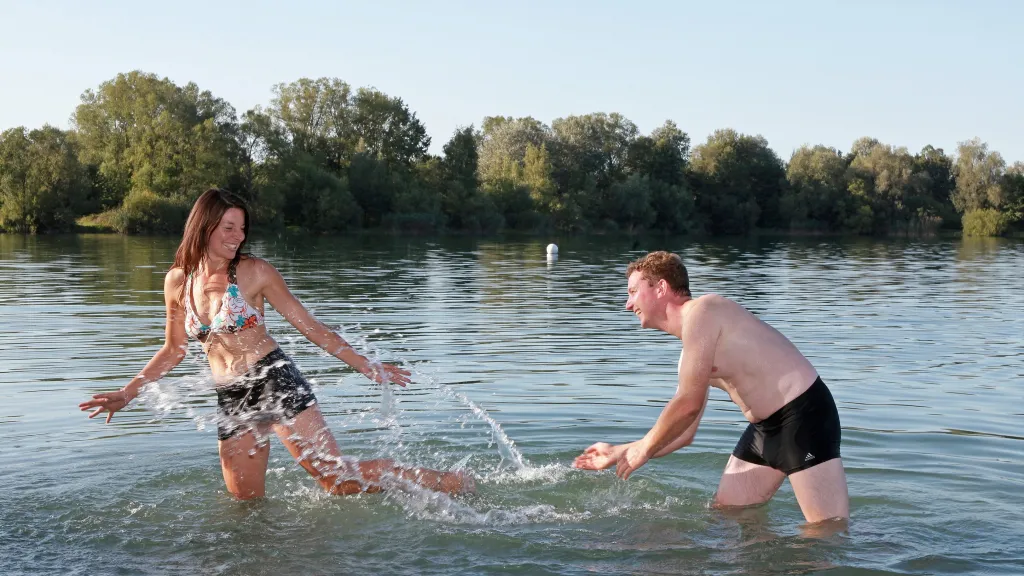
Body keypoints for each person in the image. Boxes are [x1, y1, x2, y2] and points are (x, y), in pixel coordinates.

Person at [79, 188, 472, 499]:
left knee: (335, 479)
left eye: (242, 228)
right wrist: (128, 393)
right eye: (229, 227)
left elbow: (311, 328)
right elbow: (174, 349)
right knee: (244, 504)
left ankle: (449, 483)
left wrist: (366, 364)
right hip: (231, 396)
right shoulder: (176, 282)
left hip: (274, 380)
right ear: (204, 226)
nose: (239, 236)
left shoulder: (255, 273)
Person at [573, 251, 848, 523]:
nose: (628, 304)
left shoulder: (704, 311)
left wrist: (643, 450)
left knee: (827, 534)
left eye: (633, 291)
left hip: (804, 417)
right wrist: (621, 450)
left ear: (661, 287)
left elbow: (688, 404)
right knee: (728, 515)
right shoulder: (691, 355)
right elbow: (684, 433)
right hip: (766, 429)